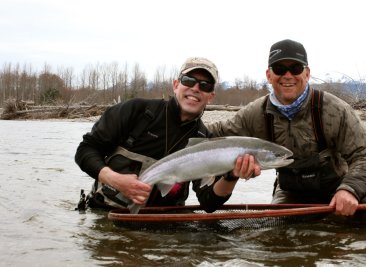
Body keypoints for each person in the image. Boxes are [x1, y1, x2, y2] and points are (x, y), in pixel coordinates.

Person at [207, 39, 366, 221]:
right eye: (279, 69)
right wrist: (183, 116)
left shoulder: (334, 109)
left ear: (307, 73)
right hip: (291, 193)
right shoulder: (255, 113)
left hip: (337, 185)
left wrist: (349, 189)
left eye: (295, 68)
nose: (288, 75)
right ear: (269, 75)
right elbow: (212, 134)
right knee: (278, 229)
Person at [75, 57, 260, 212]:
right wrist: (115, 179)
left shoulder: (204, 141)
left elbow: (209, 203)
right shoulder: (136, 111)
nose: (195, 88)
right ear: (175, 85)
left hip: (162, 230)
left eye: (205, 85)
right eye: (188, 81)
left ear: (211, 96)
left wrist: (231, 176)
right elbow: (85, 150)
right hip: (106, 216)